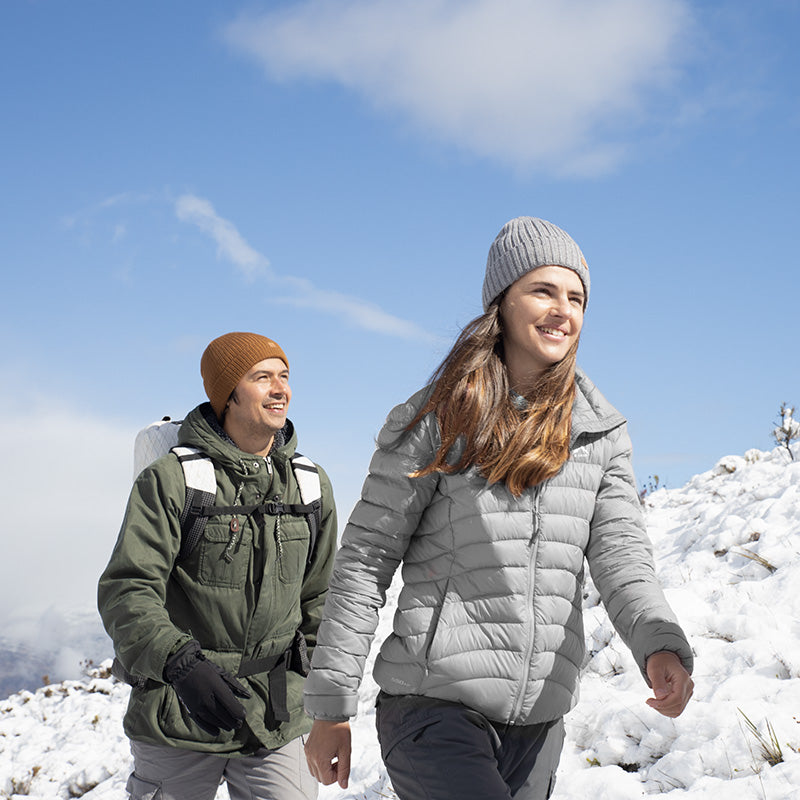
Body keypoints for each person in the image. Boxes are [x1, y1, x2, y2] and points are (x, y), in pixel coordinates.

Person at [302, 218, 694, 800]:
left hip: (538, 725)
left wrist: (659, 642)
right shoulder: (438, 419)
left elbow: (622, 557)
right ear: (501, 304)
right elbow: (365, 560)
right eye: (543, 290)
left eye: (576, 297)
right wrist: (331, 704)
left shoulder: (598, 433)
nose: (563, 309)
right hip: (433, 708)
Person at [98, 331, 337, 800]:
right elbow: (128, 589)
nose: (279, 389)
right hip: (179, 713)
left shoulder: (308, 486)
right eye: (261, 377)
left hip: (275, 720)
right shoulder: (171, 480)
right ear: (227, 394)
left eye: (284, 377)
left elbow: (322, 597)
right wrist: (182, 665)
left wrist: (321, 686)